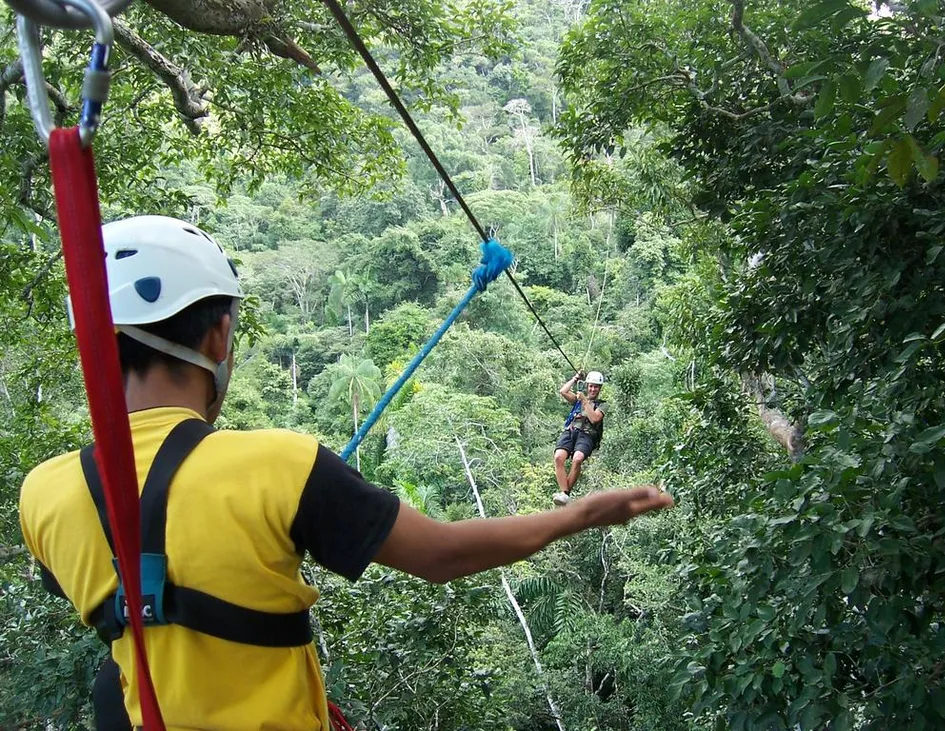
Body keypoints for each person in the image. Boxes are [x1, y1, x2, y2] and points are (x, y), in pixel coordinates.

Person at [18, 216, 673, 730]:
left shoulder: (43, 495)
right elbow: (440, 553)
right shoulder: (279, 464)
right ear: (219, 339)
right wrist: (581, 511)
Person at [553, 370, 606, 506]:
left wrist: (584, 400)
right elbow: (563, 391)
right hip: (571, 430)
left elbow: (594, 419)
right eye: (591, 386)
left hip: (587, 435)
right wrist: (575, 378)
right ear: (587, 386)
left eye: (596, 387)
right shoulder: (578, 399)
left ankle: (564, 494)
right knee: (558, 457)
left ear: (599, 388)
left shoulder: (602, 404)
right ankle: (564, 494)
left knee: (577, 459)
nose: (593, 389)